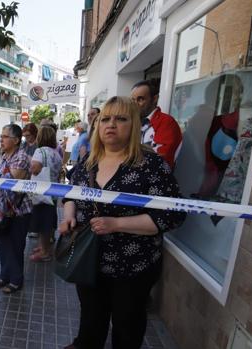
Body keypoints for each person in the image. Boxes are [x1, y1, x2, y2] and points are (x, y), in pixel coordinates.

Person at [59, 97, 186, 349]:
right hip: (89, 261)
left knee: (127, 328)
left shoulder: (151, 165)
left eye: (121, 118)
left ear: (135, 124)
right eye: (105, 119)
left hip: (133, 267)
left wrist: (116, 224)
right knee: (91, 321)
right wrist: (69, 214)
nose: (111, 125)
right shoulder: (87, 163)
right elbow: (71, 193)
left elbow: (172, 215)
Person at [0, 124, 32, 293]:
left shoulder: (21, 157)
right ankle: (4, 275)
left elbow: (9, 183)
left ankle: (16, 280)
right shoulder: (4, 155)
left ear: (15, 140)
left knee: (14, 247)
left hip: (16, 212)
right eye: (1, 136)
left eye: (5, 136)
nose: (1, 139)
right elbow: (1, 177)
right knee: (1, 245)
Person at [28, 125, 62, 262]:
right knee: (48, 222)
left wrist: (30, 164)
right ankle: (43, 247)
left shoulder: (39, 151)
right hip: (52, 193)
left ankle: (45, 252)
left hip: (42, 193)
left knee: (42, 223)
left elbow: (35, 170)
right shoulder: (56, 153)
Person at [131, 79, 183, 169]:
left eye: (140, 99)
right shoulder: (133, 121)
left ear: (155, 99)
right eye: (133, 100)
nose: (135, 104)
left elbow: (160, 159)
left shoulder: (166, 122)